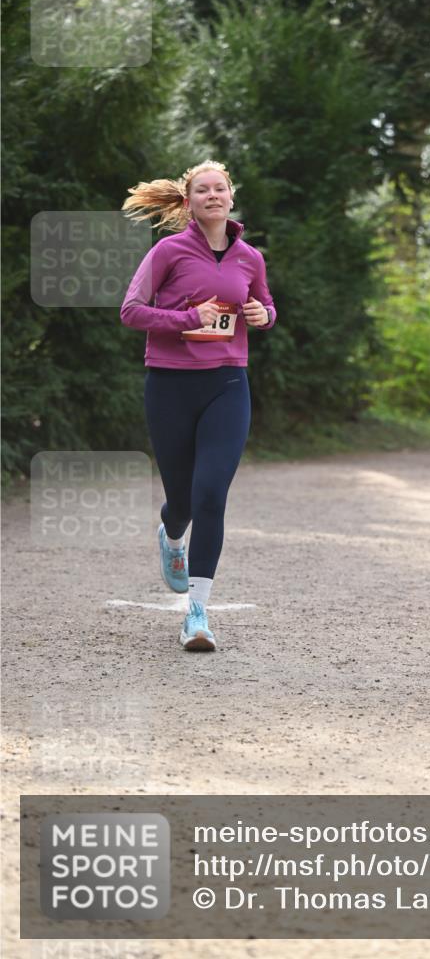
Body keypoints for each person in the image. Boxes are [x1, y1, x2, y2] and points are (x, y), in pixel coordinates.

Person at [120, 160, 276, 650]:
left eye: (220, 188)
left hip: (227, 384)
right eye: (202, 190)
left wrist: (262, 313)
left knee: (211, 494)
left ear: (231, 198)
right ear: (188, 203)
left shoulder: (250, 257)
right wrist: (188, 316)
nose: (212, 195)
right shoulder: (168, 251)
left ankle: (197, 614)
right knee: (183, 501)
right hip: (169, 385)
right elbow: (131, 311)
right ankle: (171, 535)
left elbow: (266, 307)